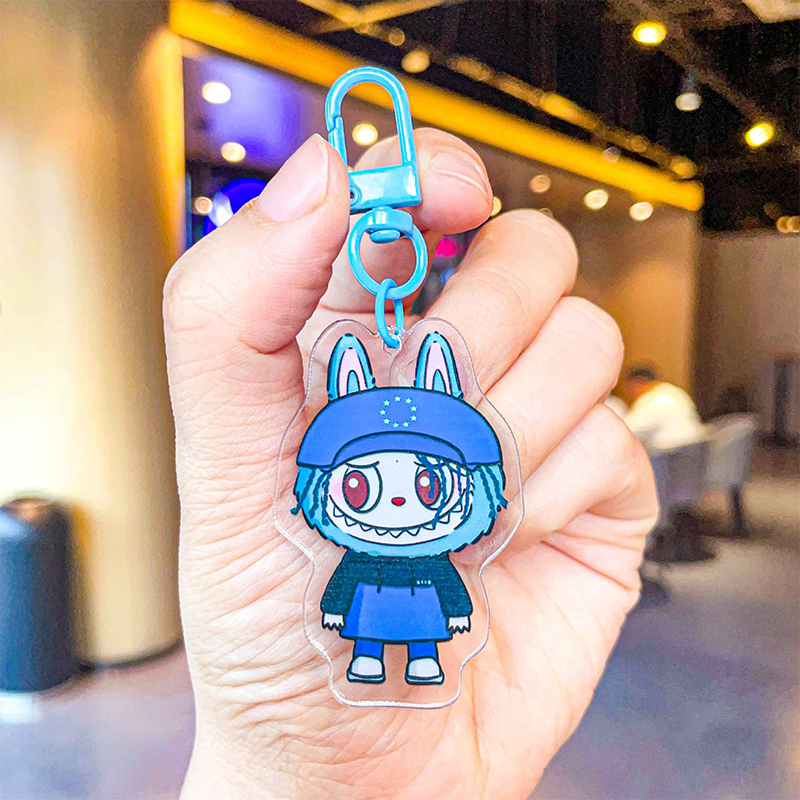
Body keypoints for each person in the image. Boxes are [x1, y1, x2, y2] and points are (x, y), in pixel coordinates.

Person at [164, 130, 658, 799]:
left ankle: (413, 659)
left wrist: (454, 613)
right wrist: (286, 773)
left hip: (431, 620)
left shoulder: (438, 557)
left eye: (428, 485)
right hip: (365, 634)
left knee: (420, 646)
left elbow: (450, 590)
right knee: (372, 645)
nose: (398, 503)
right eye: (360, 487)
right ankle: (376, 659)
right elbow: (338, 588)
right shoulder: (344, 558)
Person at [622, 363, 706, 450]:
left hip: (670, 452)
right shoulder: (675, 391)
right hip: (693, 449)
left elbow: (628, 430)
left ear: (636, 384)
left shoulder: (651, 399)